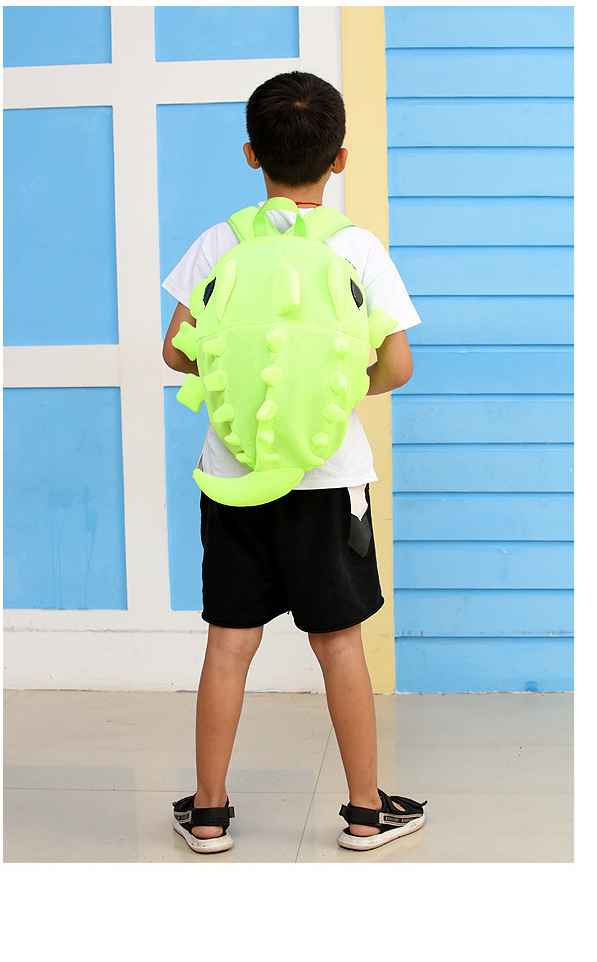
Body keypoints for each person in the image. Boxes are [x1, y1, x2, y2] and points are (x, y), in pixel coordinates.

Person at [162, 70, 426, 853]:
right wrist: (333, 392)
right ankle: (365, 812)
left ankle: (209, 812)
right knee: (338, 641)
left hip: (233, 474)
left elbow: (177, 351)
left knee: (229, 640)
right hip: (329, 478)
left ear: (252, 153)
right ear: (339, 159)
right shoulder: (356, 247)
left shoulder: (220, 241)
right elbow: (399, 364)